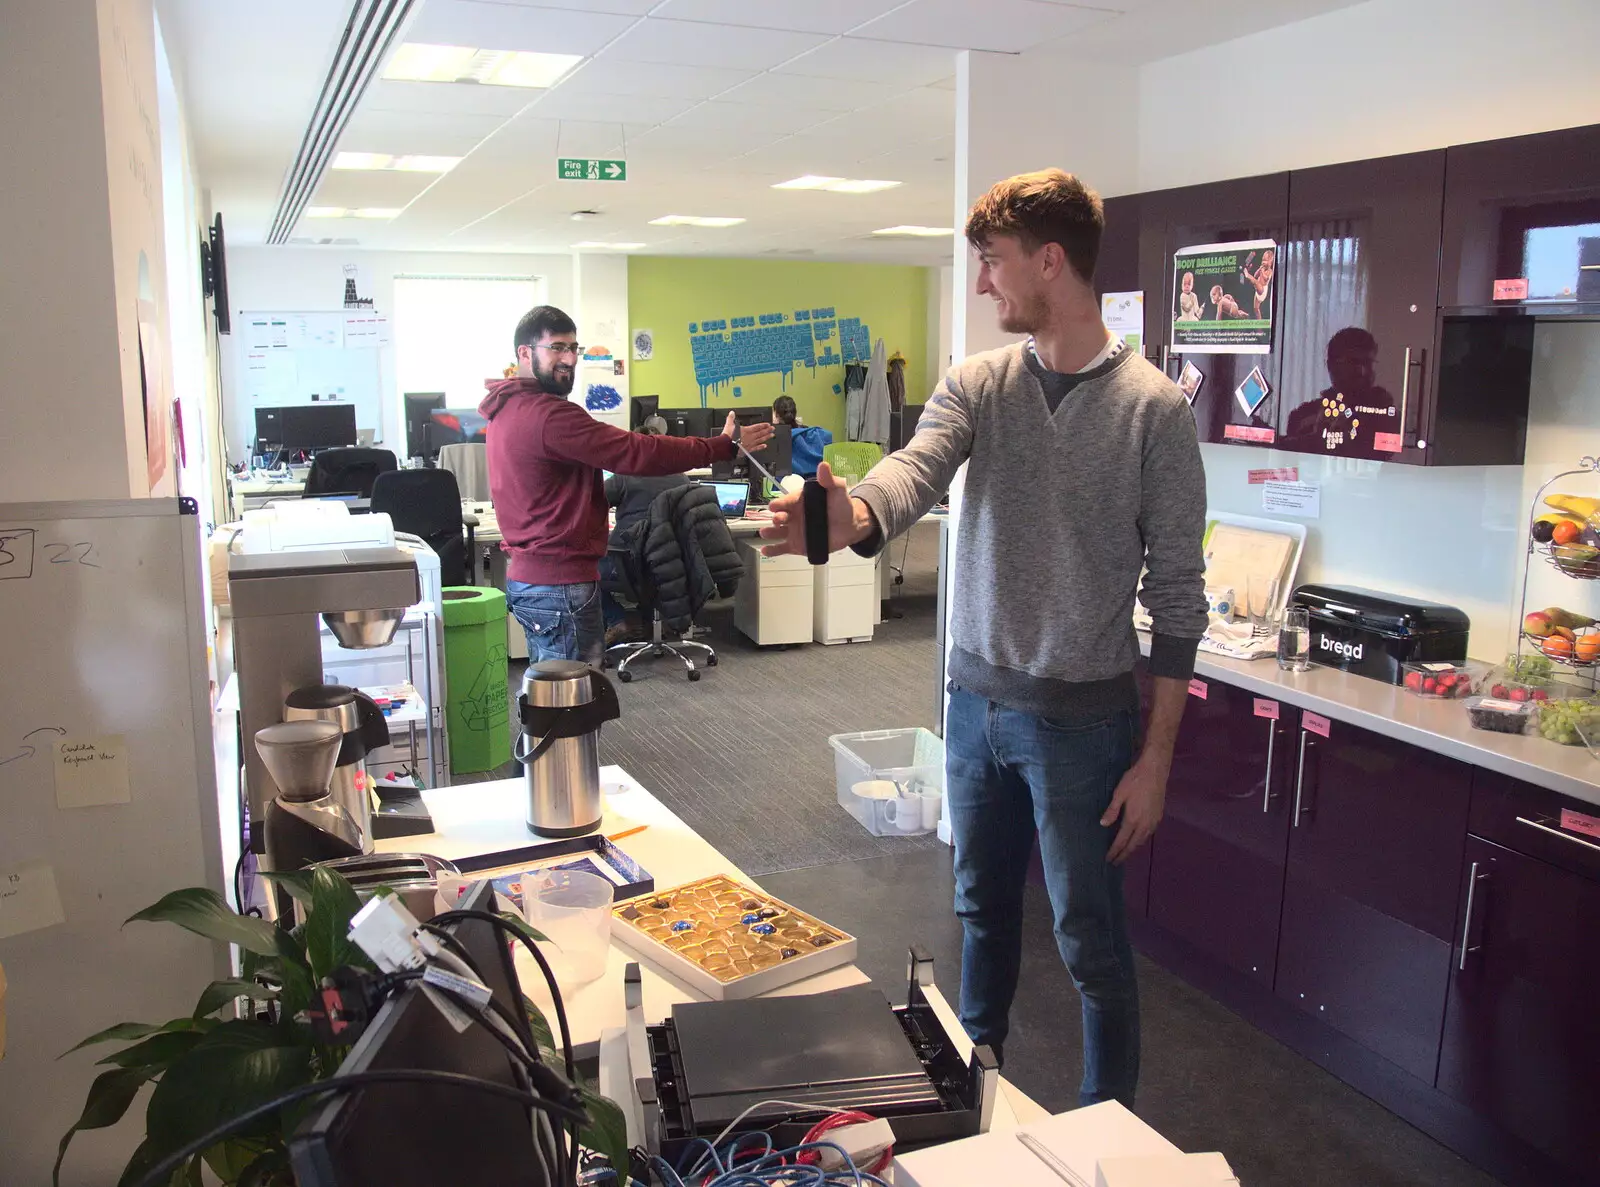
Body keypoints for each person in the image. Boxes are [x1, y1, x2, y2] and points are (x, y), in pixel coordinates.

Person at [760, 169, 1207, 1108]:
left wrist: (1157, 759)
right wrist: (852, 516)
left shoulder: (1154, 410)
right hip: (974, 710)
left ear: (1051, 261)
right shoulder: (979, 384)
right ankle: (972, 1094)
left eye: (992, 263)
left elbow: (1177, 598)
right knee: (981, 917)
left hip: (1083, 728)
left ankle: (1106, 1123)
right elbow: (912, 472)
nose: (980, 286)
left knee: (1089, 937)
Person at [481, 306, 772, 665]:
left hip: (532, 581)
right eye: (557, 347)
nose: (569, 358)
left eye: (575, 348)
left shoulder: (506, 409)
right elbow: (635, 451)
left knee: (548, 698)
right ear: (525, 353)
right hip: (559, 586)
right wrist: (718, 447)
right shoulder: (550, 416)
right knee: (574, 708)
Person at [600, 415, 689, 643]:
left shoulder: (625, 477)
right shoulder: (682, 479)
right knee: (650, 572)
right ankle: (656, 622)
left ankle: (618, 620)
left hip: (629, 565)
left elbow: (593, 503)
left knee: (581, 571)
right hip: (672, 567)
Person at [773, 395, 833, 479]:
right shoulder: (815, 433)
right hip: (817, 484)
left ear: (776, 415)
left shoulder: (776, 439)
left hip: (785, 487)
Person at [1242, 247, 1275, 319]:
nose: (1263, 262)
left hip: (1262, 290)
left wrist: (1262, 272)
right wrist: (1259, 269)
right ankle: (1259, 327)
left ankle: (1247, 275)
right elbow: (1255, 275)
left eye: (1265, 260)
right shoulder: (1262, 268)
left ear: (1270, 262)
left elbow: (1266, 279)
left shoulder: (1270, 271)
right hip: (1257, 292)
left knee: (1256, 282)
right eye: (1263, 260)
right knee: (1256, 309)